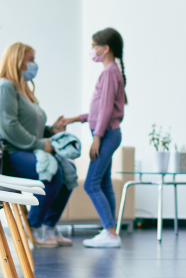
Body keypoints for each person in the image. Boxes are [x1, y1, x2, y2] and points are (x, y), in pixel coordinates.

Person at [0, 42, 73, 247]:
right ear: (17, 60)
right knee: (53, 173)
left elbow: (33, 127)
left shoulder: (25, 91)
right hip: (13, 154)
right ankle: (33, 227)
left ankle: (48, 227)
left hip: (31, 149)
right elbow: (9, 126)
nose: (34, 64)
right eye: (31, 59)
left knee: (69, 172)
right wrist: (40, 144)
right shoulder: (5, 86)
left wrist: (52, 131)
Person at [62, 28, 127, 248]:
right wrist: (74, 119)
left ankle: (110, 233)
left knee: (91, 184)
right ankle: (110, 231)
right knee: (104, 183)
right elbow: (101, 110)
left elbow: (107, 109)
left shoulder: (109, 72)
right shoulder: (113, 71)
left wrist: (97, 137)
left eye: (93, 46)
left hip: (106, 134)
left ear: (105, 48)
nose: (92, 50)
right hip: (108, 132)